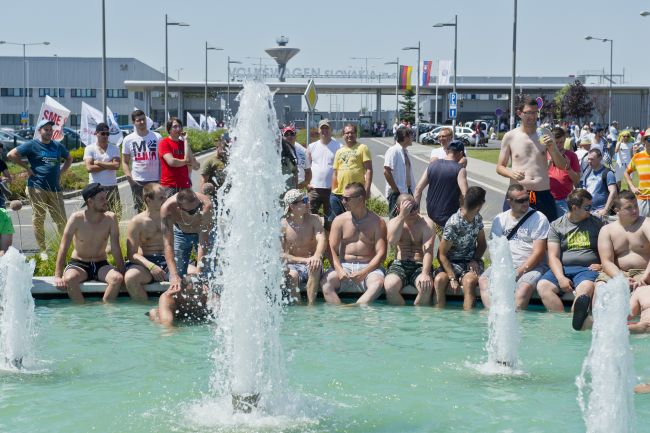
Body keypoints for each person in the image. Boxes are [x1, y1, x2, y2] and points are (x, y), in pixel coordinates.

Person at [536, 189, 603, 330]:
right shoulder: (557, 225)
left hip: (587, 269)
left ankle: (576, 319)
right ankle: (562, 321)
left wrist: (602, 264)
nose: (591, 210)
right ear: (574, 208)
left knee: (585, 288)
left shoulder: (597, 223)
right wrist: (560, 277)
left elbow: (609, 247)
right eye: (587, 207)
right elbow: (553, 256)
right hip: (563, 268)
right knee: (543, 286)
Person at [7, 119, 72, 260]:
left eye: (50, 129)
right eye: (46, 129)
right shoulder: (32, 145)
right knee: (39, 219)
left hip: (55, 189)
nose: (49, 132)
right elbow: (11, 154)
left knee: (61, 220)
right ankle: (43, 250)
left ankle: (64, 249)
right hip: (37, 188)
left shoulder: (57, 146)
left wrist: (61, 172)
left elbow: (69, 159)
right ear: (39, 131)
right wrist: (27, 168)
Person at [496, 96, 568, 223]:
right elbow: (499, 167)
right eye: (529, 112)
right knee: (512, 232)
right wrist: (511, 173)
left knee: (546, 234)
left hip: (542, 193)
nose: (533, 116)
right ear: (519, 113)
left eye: (535, 112)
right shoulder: (510, 136)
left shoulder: (545, 133)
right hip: (519, 193)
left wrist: (553, 148)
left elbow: (562, 166)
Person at [478, 184, 549, 310]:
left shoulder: (539, 218)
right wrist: (502, 269)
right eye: (520, 201)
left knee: (523, 289)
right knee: (483, 280)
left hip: (531, 267)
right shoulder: (500, 219)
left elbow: (539, 252)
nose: (525, 203)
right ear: (509, 202)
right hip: (506, 265)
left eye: (527, 199)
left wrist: (518, 272)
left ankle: (519, 323)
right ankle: (491, 315)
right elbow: (495, 249)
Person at [53, 183, 125, 303]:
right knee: (70, 279)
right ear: (90, 202)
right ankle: (82, 311)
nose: (106, 201)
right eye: (101, 199)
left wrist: (123, 272)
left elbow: (116, 248)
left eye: (105, 198)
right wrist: (57, 276)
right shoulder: (77, 218)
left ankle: (105, 309)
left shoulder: (111, 218)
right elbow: (63, 247)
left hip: (101, 264)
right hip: (79, 265)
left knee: (117, 278)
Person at [321, 182, 387, 305]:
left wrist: (364, 272)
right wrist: (339, 270)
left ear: (360, 199)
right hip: (344, 265)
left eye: (347, 199)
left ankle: (355, 309)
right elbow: (331, 248)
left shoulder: (377, 222)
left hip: (369, 267)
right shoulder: (339, 220)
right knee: (326, 283)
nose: (343, 201)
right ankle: (341, 312)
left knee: (377, 284)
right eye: (342, 198)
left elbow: (381, 254)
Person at [434, 186, 487, 310]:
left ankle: (466, 322)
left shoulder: (477, 219)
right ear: (480, 205)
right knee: (439, 280)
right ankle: (437, 317)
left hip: (469, 262)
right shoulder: (453, 224)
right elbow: (441, 254)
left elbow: (482, 244)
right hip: (450, 263)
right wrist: (452, 277)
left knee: (469, 283)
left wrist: (475, 259)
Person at [384, 194, 435, 306]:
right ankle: (402, 317)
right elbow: (392, 242)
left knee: (425, 287)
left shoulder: (426, 223)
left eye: (415, 206)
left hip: (420, 265)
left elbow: (428, 251)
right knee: (389, 287)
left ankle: (417, 318)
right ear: (399, 209)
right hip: (400, 264)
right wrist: (402, 216)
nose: (413, 211)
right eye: (408, 208)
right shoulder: (393, 223)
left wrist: (425, 273)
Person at [596, 190, 650, 291]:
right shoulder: (607, 230)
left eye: (636, 206)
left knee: (640, 290)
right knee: (600, 287)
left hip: (644, 272)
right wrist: (621, 278)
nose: (635, 210)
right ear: (617, 210)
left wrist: (646, 276)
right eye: (629, 208)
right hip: (617, 272)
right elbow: (606, 261)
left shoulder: (646, 223)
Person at [161, 188, 213, 291]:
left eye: (198, 206)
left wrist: (200, 274)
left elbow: (203, 243)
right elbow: (168, 244)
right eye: (193, 210)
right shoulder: (167, 209)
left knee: (207, 276)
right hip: (180, 232)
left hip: (202, 235)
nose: (199, 209)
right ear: (180, 209)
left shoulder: (206, 205)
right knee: (177, 277)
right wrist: (174, 275)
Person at [281, 189, 327, 304]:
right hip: (292, 265)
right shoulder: (283, 225)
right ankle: (298, 307)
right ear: (292, 206)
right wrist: (304, 260)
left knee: (315, 266)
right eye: (304, 200)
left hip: (311, 262)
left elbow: (321, 238)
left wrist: (316, 256)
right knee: (292, 275)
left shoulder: (314, 219)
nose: (308, 202)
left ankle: (310, 307)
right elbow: (281, 254)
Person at [124, 183, 168, 301]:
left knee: (194, 275)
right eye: (161, 198)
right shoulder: (137, 222)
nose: (166, 200)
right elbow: (132, 254)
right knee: (130, 278)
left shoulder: (171, 217)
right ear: (148, 200)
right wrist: (151, 266)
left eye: (165, 197)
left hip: (170, 260)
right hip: (147, 263)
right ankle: (144, 312)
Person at [414, 140, 468, 236]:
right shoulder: (460, 169)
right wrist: (464, 214)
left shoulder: (432, 165)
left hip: (431, 213)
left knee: (429, 242)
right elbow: (465, 194)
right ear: (460, 153)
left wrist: (416, 214)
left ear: (447, 151)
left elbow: (418, 189)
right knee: (447, 247)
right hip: (449, 215)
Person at [330, 124, 372, 221]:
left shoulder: (362, 148)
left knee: (354, 221)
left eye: (352, 132)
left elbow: (369, 169)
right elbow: (335, 172)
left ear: (356, 134)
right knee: (337, 221)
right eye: (347, 133)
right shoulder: (339, 151)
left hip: (354, 194)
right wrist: (333, 190)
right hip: (339, 194)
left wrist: (367, 189)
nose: (349, 135)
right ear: (343, 135)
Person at [121, 109, 161, 213]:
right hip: (138, 181)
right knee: (141, 210)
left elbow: (162, 159)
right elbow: (125, 161)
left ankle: (157, 229)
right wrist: (130, 180)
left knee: (158, 209)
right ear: (134, 122)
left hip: (155, 180)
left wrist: (162, 178)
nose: (142, 122)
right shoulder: (128, 139)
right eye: (138, 120)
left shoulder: (157, 137)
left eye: (143, 119)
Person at [306, 119, 341, 231]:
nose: (324, 130)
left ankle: (328, 246)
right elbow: (306, 167)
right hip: (314, 189)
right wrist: (307, 183)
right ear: (318, 130)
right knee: (311, 219)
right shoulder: (312, 146)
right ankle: (313, 246)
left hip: (332, 190)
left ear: (331, 130)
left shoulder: (339, 146)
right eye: (322, 128)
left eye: (327, 128)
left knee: (330, 221)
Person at [84, 122, 122, 218]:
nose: (105, 136)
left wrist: (98, 162)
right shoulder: (90, 148)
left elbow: (116, 166)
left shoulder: (114, 148)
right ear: (96, 133)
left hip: (111, 186)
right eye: (103, 133)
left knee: (115, 215)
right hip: (96, 187)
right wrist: (109, 164)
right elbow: (89, 168)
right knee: (96, 216)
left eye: (107, 134)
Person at [148, 275, 213, 327]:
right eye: (191, 294)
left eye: (198, 293)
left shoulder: (206, 295)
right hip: (177, 319)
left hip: (198, 319)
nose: (195, 298)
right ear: (180, 292)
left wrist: (212, 297)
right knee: (154, 313)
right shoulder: (169, 297)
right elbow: (166, 325)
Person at [158, 117, 199, 198]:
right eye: (175, 126)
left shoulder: (184, 143)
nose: (178, 129)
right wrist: (186, 161)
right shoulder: (164, 143)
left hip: (185, 184)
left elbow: (193, 163)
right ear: (169, 130)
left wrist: (186, 140)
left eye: (180, 126)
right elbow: (172, 162)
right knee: (172, 210)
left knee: (186, 210)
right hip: (170, 186)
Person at [383, 127, 416, 217]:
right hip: (397, 193)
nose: (413, 138)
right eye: (411, 136)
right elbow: (386, 171)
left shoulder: (404, 151)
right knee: (395, 220)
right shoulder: (393, 150)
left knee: (407, 221)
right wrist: (395, 190)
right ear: (405, 137)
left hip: (406, 191)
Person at [548, 127, 580, 216]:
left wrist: (569, 169)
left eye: (561, 142)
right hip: (546, 199)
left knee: (564, 228)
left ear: (565, 140)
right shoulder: (544, 154)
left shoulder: (572, 156)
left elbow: (577, 180)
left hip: (564, 200)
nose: (558, 145)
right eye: (556, 142)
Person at [581, 148, 617, 219]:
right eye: (588, 159)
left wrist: (605, 210)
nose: (589, 161)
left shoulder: (608, 173)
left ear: (600, 158)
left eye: (592, 159)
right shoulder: (587, 174)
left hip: (601, 213)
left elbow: (613, 191)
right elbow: (584, 193)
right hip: (589, 212)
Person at [624, 128, 650, 217]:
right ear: (645, 141)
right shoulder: (637, 157)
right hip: (642, 198)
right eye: (649, 139)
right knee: (642, 225)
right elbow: (626, 173)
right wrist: (632, 187)